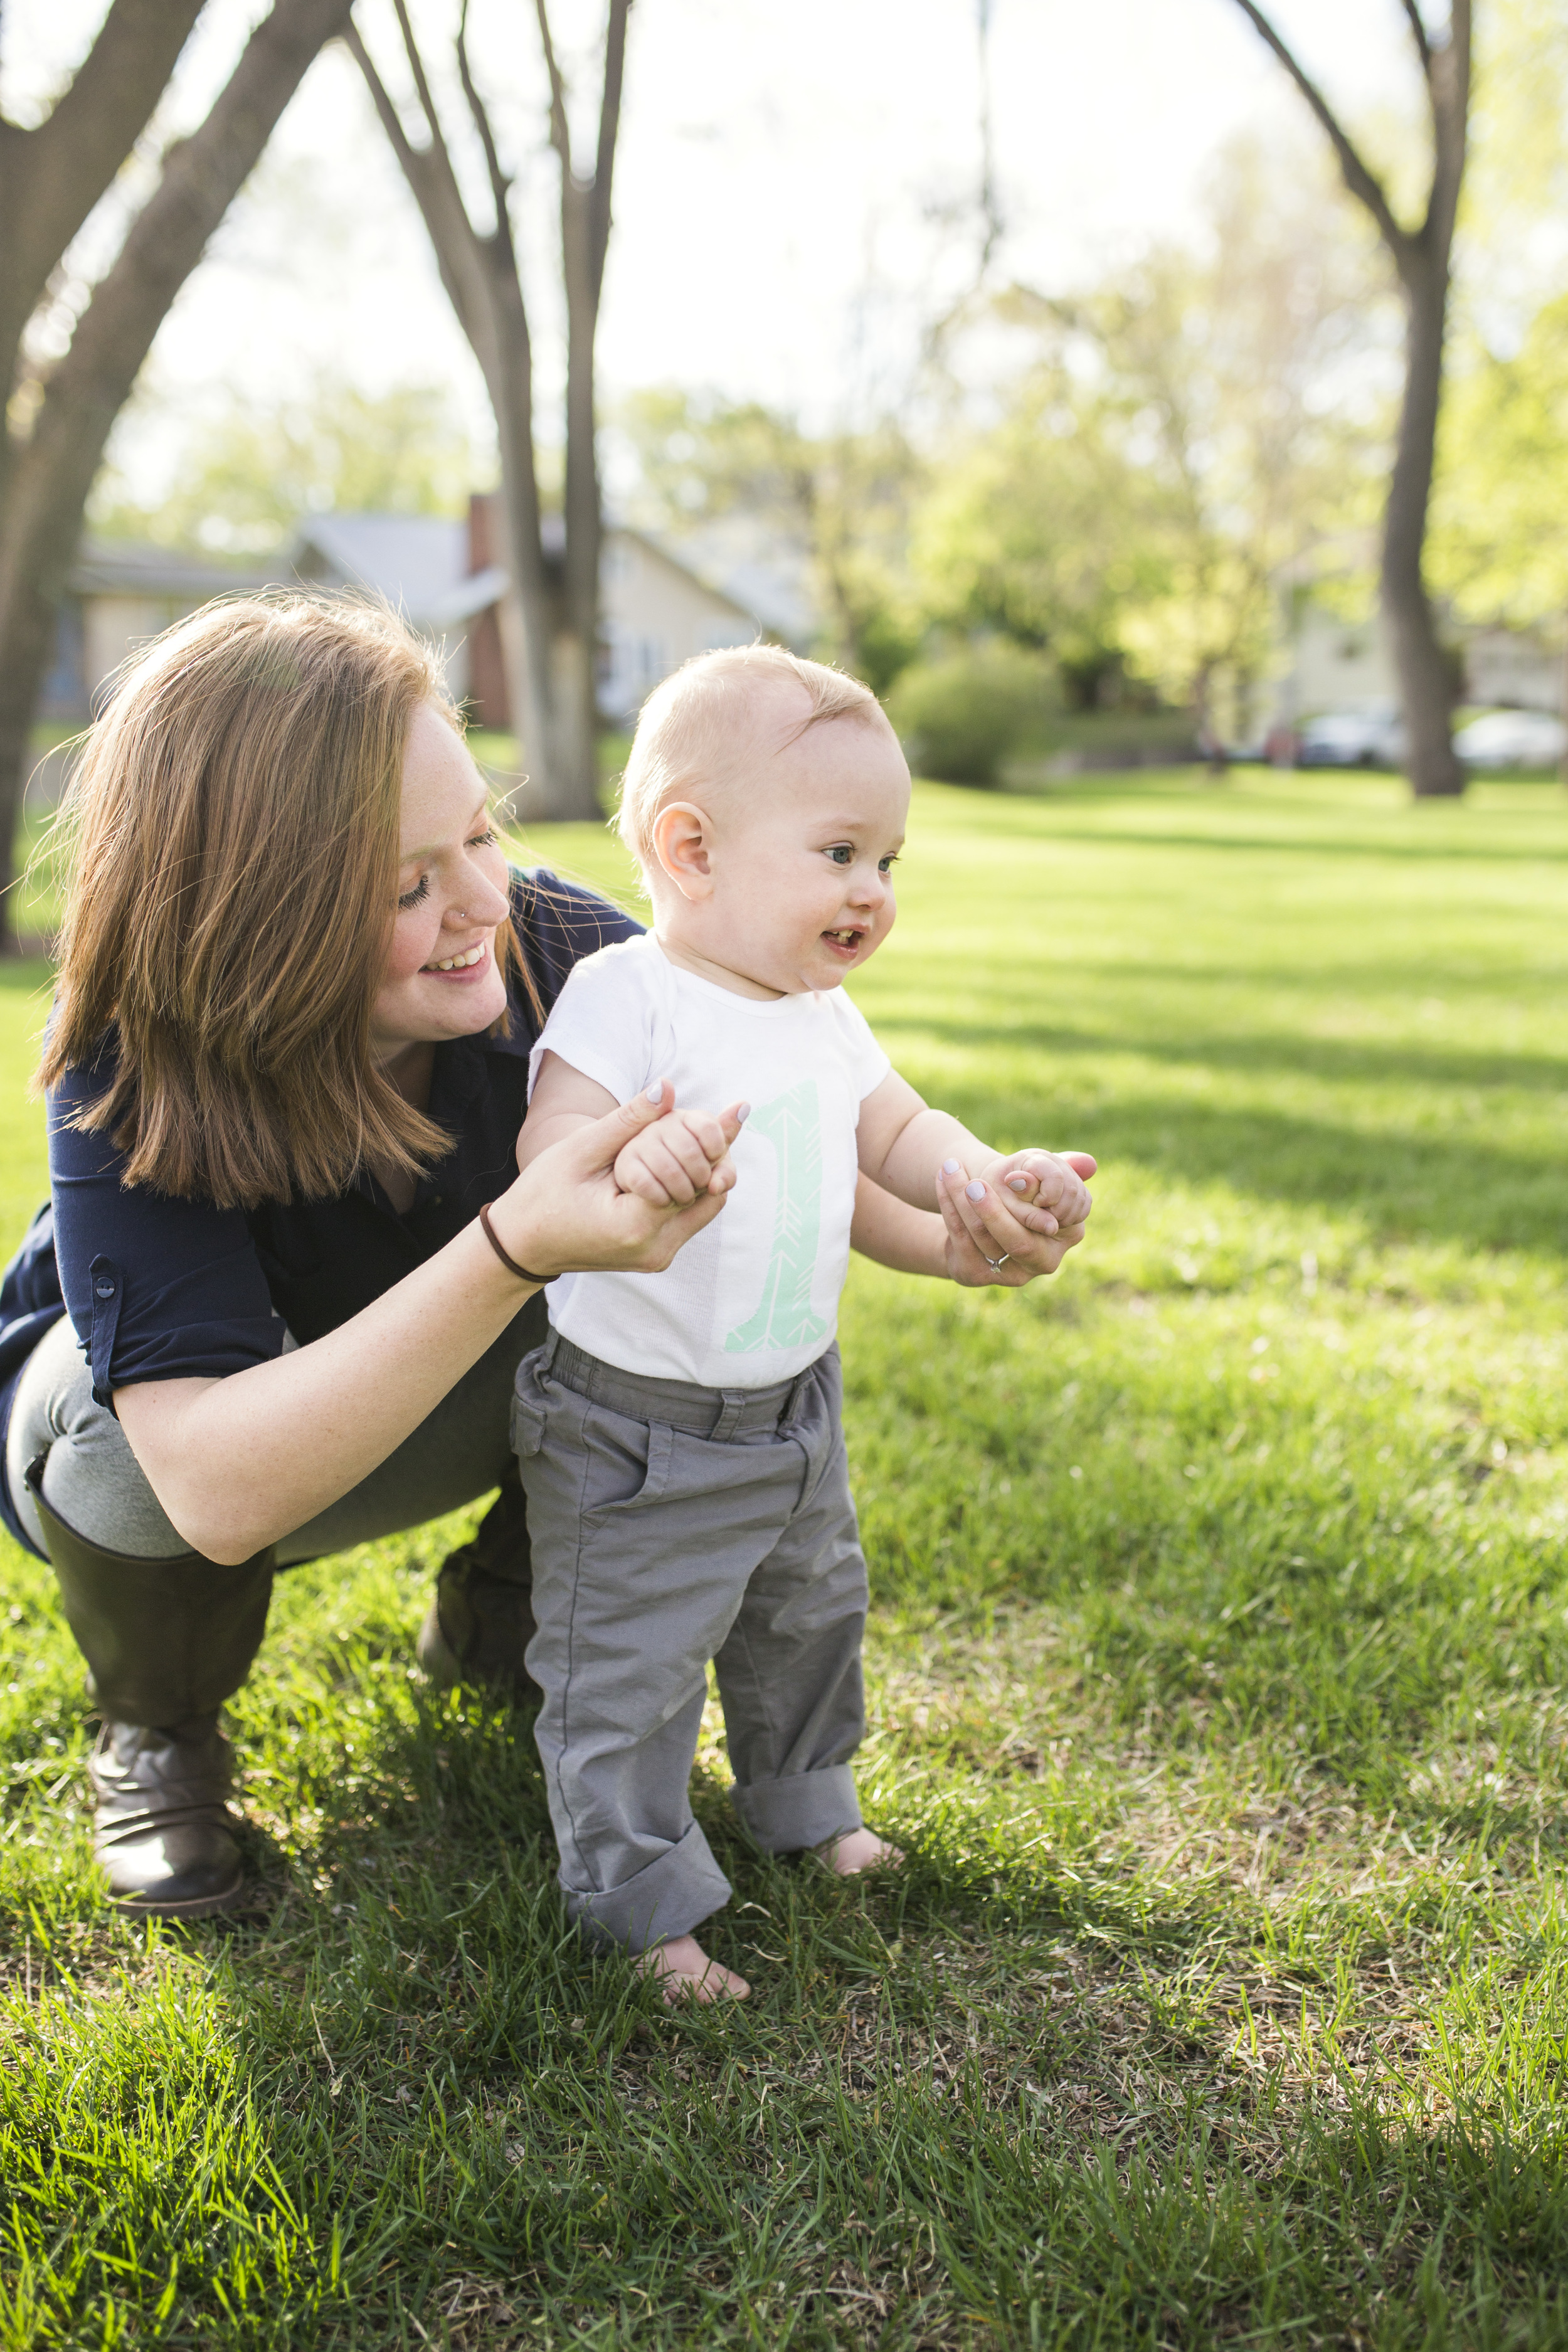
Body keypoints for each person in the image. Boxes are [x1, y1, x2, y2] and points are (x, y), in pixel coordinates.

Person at [0, 599, 1081, 1926]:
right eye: (404, 885)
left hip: (462, 1393)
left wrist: (951, 1232)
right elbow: (212, 1489)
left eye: (476, 833)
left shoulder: (564, 948)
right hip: (206, 1451)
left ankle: (509, 1611)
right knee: (110, 1443)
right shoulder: (135, 1059)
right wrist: (515, 1245)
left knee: (648, 1290)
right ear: (254, 915)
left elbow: (777, 1130)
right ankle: (158, 1733)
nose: (476, 903)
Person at [511, 645, 1096, 2001]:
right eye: (840, 851)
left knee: (807, 1617)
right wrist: (624, 1161)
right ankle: (634, 1896)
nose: (872, 893)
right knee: (631, 1667)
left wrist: (982, 1192)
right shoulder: (629, 994)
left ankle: (804, 1801)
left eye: (890, 860)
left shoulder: (822, 1017)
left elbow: (891, 1142)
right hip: (633, 1429)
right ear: (689, 847)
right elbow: (554, 1156)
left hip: (791, 1411)